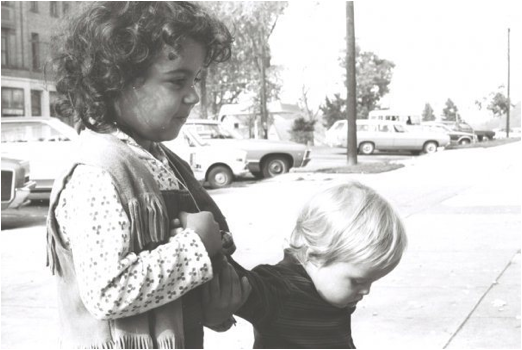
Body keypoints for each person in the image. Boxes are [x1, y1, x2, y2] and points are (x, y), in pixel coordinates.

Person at [45, 2, 250, 348]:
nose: (194, 95)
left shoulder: (164, 160)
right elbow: (108, 293)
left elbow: (191, 266)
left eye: (196, 78)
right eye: (177, 81)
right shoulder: (97, 172)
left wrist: (213, 306)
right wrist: (195, 247)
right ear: (116, 81)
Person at [231, 181, 408, 348]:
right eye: (357, 281)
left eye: (371, 281)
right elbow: (228, 279)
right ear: (315, 256)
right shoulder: (277, 291)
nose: (366, 291)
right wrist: (216, 248)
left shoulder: (333, 294)